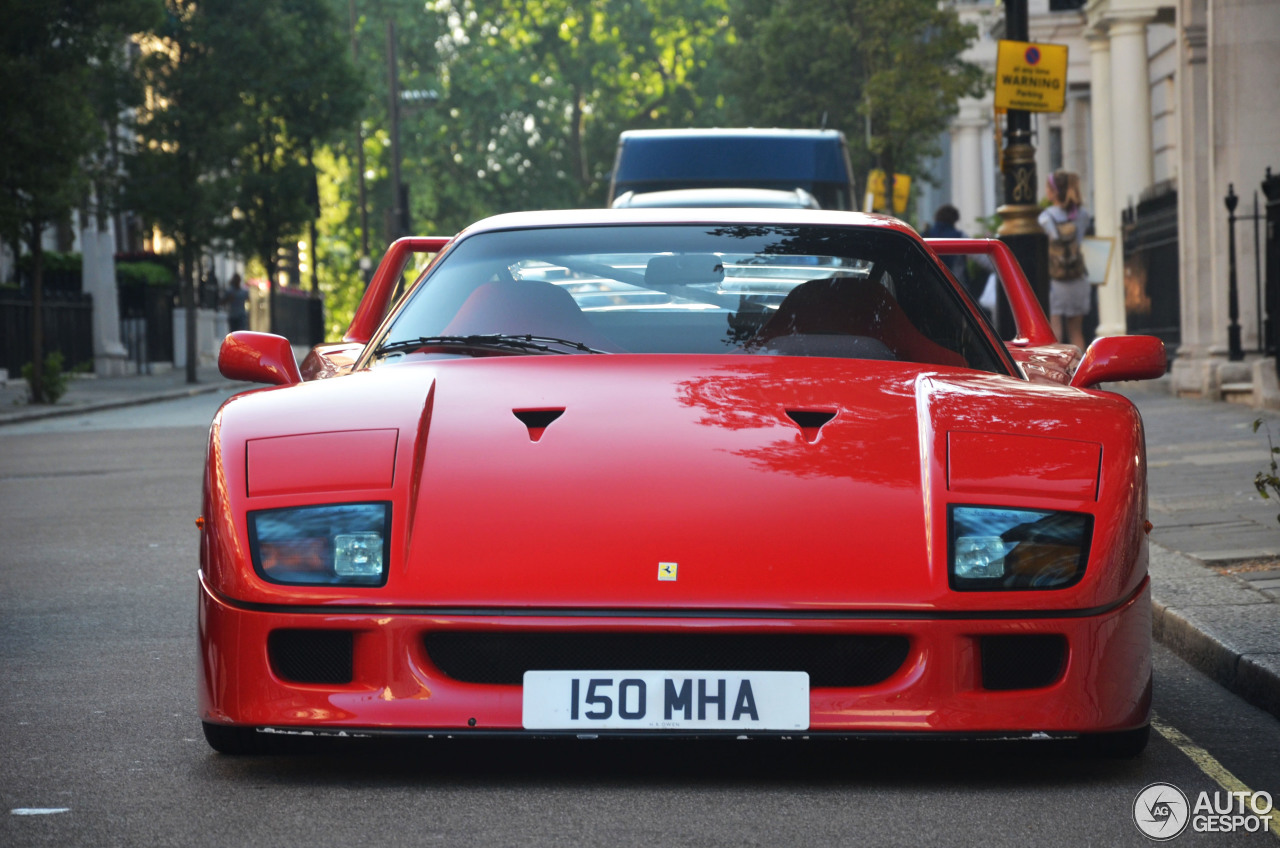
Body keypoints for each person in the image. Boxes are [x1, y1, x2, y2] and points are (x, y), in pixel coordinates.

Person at [1039, 170, 1092, 350]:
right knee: (1076, 331)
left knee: (1056, 331)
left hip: (1057, 278)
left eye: (1047, 187)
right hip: (1078, 276)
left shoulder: (1046, 217)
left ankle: (1059, 376)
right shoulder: (1082, 214)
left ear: (1053, 191)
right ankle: (1081, 373)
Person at [923, 204, 979, 299]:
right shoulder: (960, 236)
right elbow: (980, 257)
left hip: (929, 289)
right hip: (957, 291)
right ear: (955, 220)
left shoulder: (924, 236)